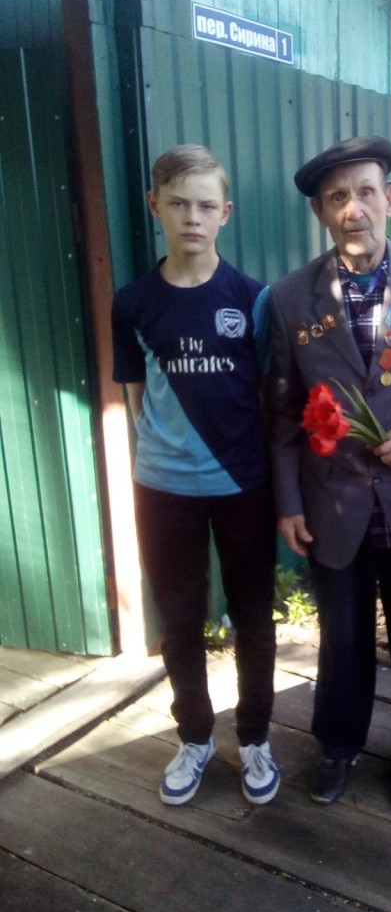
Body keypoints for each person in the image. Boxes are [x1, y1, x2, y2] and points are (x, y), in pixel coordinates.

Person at [269, 136, 391, 806]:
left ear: (390, 199)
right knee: (342, 634)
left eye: (364, 192)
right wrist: (288, 501)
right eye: (337, 197)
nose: (353, 208)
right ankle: (337, 744)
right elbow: (283, 410)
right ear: (321, 212)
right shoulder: (291, 298)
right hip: (334, 503)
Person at [111, 144, 280, 807]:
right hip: (164, 489)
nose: (192, 218)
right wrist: (167, 452)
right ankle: (194, 736)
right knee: (180, 619)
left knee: (253, 616)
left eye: (206, 206)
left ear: (226, 213)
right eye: (178, 203)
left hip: (243, 485)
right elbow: (136, 394)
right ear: (154, 205)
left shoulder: (253, 299)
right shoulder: (133, 303)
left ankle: (256, 736)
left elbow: (266, 393)